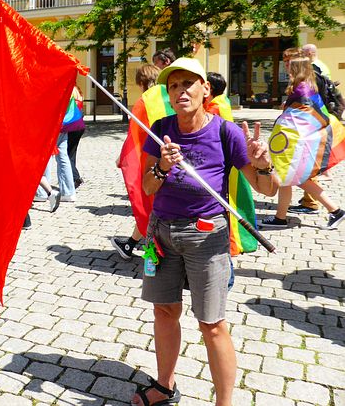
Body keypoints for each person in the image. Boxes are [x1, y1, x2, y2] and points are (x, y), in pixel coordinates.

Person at [134, 58, 278, 406]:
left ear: (205, 89)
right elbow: (148, 187)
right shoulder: (160, 128)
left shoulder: (225, 132)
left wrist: (264, 165)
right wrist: (163, 165)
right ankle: (165, 387)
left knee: (211, 324)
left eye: (188, 84)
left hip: (207, 237)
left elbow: (268, 189)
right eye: (174, 86)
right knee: (164, 311)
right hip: (161, 234)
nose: (180, 91)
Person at [261, 56, 345, 230]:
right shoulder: (307, 85)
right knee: (290, 178)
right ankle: (282, 217)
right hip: (299, 142)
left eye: (290, 66)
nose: (287, 70)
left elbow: (301, 117)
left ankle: (334, 211)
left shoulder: (302, 88)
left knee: (291, 177)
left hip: (296, 143)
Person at [112, 63, 162, 260]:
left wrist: (124, 158)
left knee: (148, 206)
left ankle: (153, 253)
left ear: (142, 82)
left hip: (150, 162)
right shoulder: (167, 97)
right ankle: (130, 245)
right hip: (170, 159)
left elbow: (134, 136)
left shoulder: (145, 101)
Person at [65, 85, 86, 188]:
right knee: (71, 153)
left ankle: (75, 178)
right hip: (79, 124)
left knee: (65, 154)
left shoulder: (69, 90)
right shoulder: (77, 90)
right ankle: (74, 177)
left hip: (71, 125)